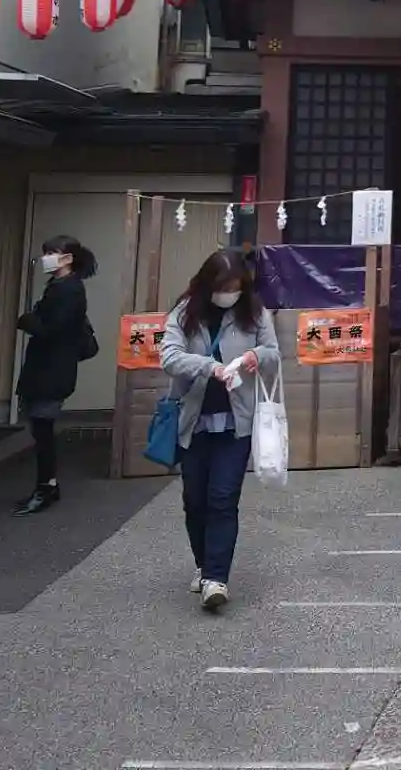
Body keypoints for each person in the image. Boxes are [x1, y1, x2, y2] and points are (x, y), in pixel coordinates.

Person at [159, 249, 280, 611]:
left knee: (223, 498)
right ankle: (203, 565)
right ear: (207, 284)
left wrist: (255, 357)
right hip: (193, 421)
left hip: (235, 423)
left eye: (236, 287)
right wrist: (209, 367)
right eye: (224, 287)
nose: (230, 294)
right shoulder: (185, 312)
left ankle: (216, 578)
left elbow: (274, 353)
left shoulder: (254, 311)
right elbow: (169, 357)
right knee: (194, 500)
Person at [13, 235, 96, 516]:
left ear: (67, 258)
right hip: (47, 367)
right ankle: (47, 485)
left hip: (53, 369)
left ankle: (45, 487)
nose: (46, 258)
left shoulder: (69, 290)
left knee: (43, 428)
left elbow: (52, 329)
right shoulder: (60, 286)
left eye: (52, 252)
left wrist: (27, 320)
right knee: (40, 427)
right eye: (46, 252)